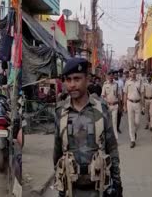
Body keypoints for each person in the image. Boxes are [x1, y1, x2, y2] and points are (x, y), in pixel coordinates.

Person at [53, 58, 122, 197]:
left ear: (87, 79)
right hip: (71, 189)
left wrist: (117, 183)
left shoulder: (101, 109)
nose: (72, 84)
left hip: (98, 188)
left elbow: (112, 148)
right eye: (68, 79)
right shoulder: (61, 111)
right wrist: (59, 182)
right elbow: (57, 150)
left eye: (77, 79)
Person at [123, 66, 144, 149]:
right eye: (131, 71)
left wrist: (143, 106)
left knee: (137, 122)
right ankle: (132, 140)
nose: (133, 73)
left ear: (136, 73)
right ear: (129, 73)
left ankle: (134, 132)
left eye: (134, 71)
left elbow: (142, 94)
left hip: (138, 103)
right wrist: (124, 105)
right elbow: (125, 94)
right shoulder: (127, 82)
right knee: (130, 122)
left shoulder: (140, 82)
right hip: (129, 103)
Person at [102, 70, 121, 140]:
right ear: (107, 76)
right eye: (109, 75)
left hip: (115, 106)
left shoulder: (116, 84)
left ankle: (115, 138)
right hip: (108, 106)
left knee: (114, 122)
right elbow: (103, 96)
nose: (111, 77)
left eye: (112, 75)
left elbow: (119, 95)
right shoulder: (105, 84)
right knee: (108, 123)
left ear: (113, 76)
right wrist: (105, 104)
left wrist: (120, 106)